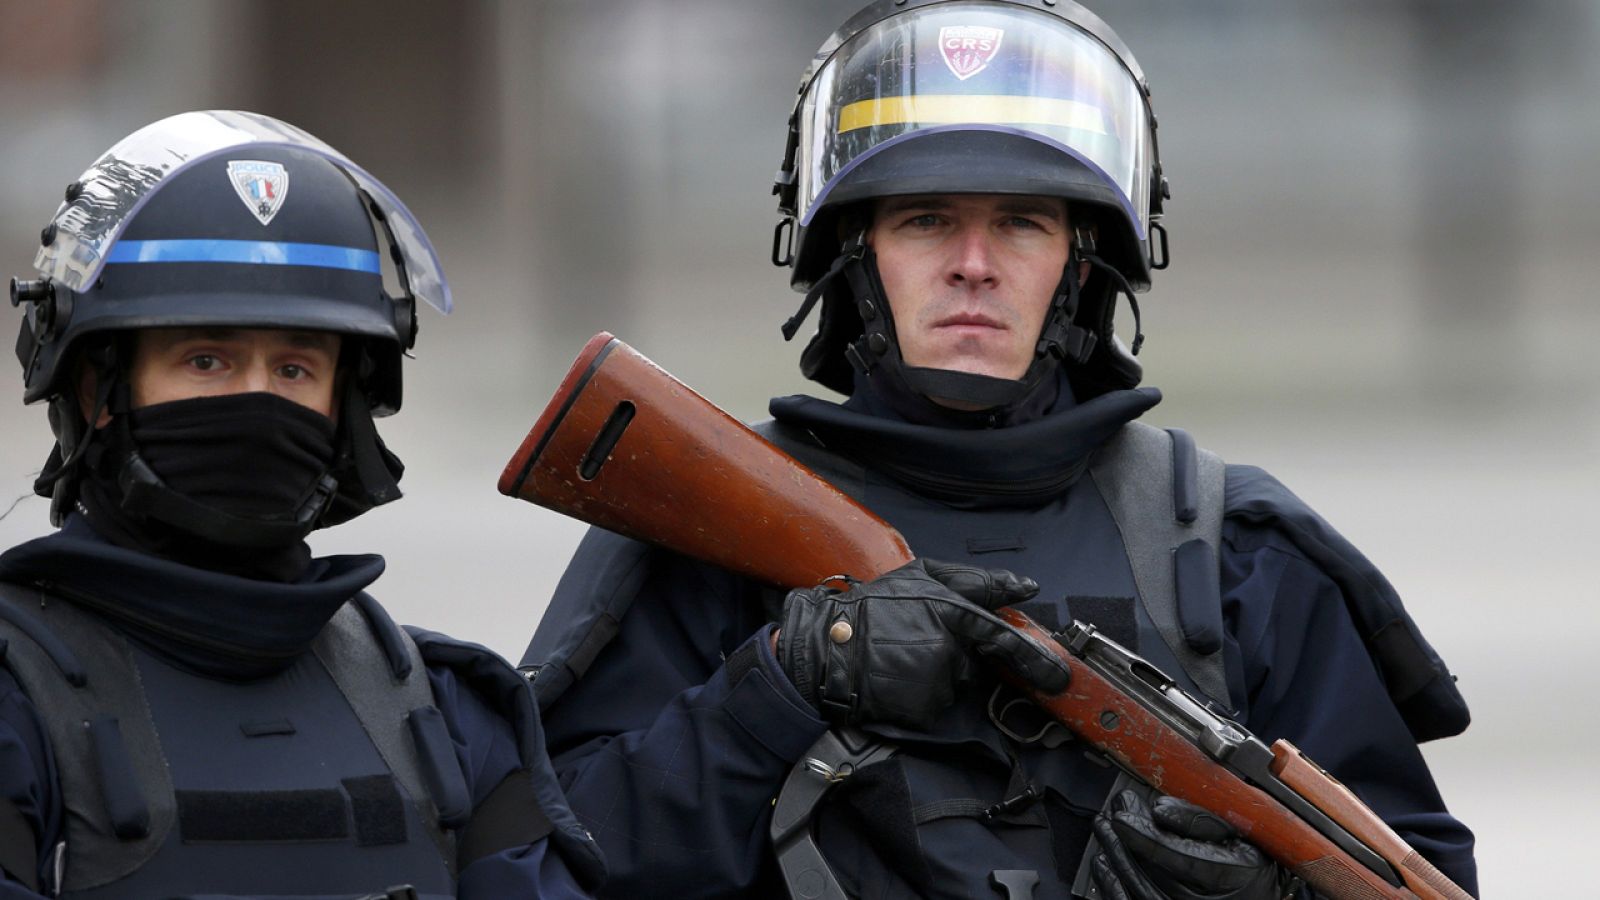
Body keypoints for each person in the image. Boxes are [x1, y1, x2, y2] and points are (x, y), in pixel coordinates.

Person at [523, 2, 1478, 898]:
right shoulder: (702, 530)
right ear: (856, 260)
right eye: (925, 218)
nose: (972, 263)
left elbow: (1412, 866)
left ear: (1082, 263)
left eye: (1022, 222)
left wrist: (1264, 889)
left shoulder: (1238, 554)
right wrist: (778, 686)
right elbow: (535, 862)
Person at [0, 111, 603, 899]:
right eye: (206, 359)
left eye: (294, 369)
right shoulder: (16, 701)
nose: (256, 400)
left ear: (342, 405)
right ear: (98, 390)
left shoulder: (445, 710)